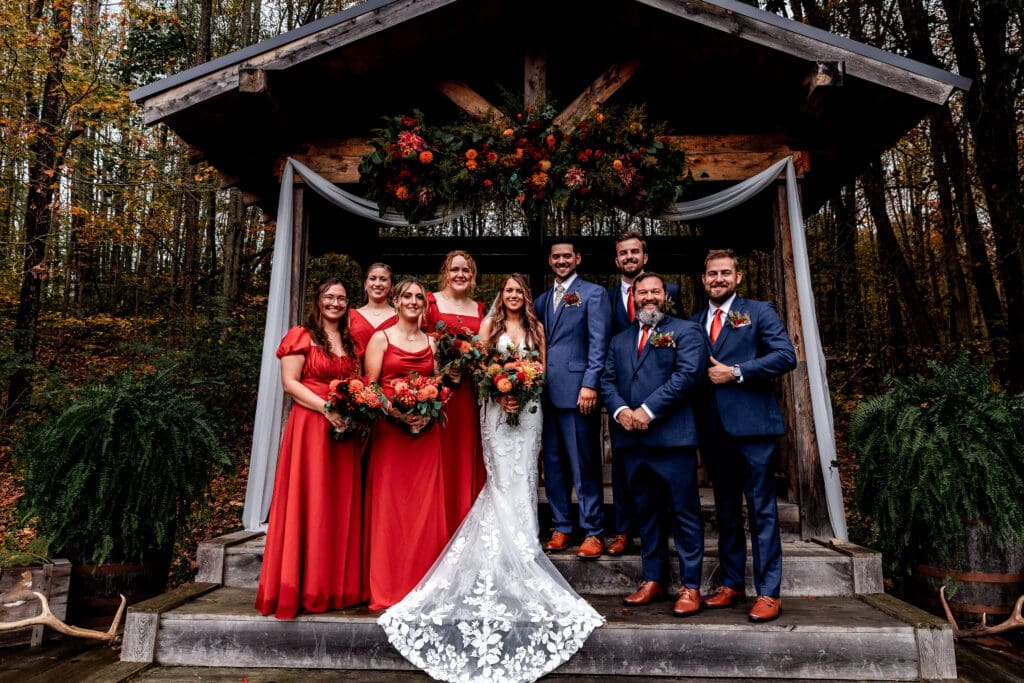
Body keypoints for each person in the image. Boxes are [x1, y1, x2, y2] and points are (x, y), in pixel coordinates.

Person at [380, 274, 604, 683]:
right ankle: (507, 549)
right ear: (502, 296)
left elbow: (544, 368)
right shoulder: (490, 325)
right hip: (498, 412)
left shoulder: (535, 328)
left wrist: (526, 384)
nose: (515, 296)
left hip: (530, 412)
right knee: (502, 478)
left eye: (520, 290)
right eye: (509, 291)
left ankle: (523, 540)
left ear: (526, 297)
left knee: (523, 479)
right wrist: (499, 390)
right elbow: (480, 366)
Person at [690, 249, 796, 623]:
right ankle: (731, 583)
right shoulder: (694, 321)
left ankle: (768, 591)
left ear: (737, 278)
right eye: (712, 273)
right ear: (703, 280)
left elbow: (786, 356)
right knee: (726, 511)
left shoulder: (759, 312)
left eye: (725, 273)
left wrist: (736, 371)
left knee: (762, 510)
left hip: (753, 429)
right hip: (713, 431)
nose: (718, 279)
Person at [254, 277, 364, 618]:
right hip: (311, 426)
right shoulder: (301, 335)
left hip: (342, 430)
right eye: (330, 297)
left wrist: (350, 409)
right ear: (318, 300)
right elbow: (290, 383)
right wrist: (325, 408)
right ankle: (302, 587)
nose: (336, 303)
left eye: (342, 298)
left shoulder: (349, 340)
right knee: (310, 501)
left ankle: (335, 587)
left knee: (335, 504)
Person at [601, 272, 707, 617]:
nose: (648, 297)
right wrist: (620, 411)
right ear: (633, 298)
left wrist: (648, 410)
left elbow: (688, 375)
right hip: (632, 441)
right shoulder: (619, 339)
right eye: (642, 292)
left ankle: (691, 586)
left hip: (672, 440)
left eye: (654, 292)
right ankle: (652, 579)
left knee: (685, 514)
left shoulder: (686, 331)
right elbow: (608, 379)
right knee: (646, 513)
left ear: (665, 295)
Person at [363, 278, 447, 610]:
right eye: (407, 296)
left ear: (425, 305)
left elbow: (440, 386)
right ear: (396, 302)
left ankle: (424, 587)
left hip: (426, 436)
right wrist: (397, 413)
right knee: (391, 510)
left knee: (424, 511)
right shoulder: (379, 339)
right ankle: (389, 586)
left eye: (418, 297)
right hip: (391, 435)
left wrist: (427, 414)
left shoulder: (433, 342)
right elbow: (370, 388)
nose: (413, 301)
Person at [605, 231, 682, 556]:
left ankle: (666, 526)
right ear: (617, 259)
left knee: (663, 466)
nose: (629, 257)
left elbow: (678, 333)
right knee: (623, 465)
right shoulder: (605, 298)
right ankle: (623, 529)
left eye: (635, 252)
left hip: (658, 394)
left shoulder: (671, 291)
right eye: (624, 253)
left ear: (645, 256)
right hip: (621, 394)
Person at [534, 240, 611, 559]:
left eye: (567, 256)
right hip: (543, 393)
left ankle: (593, 530)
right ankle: (562, 526)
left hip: (579, 391)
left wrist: (590, 384)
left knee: (584, 462)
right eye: (556, 256)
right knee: (552, 465)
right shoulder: (540, 301)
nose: (561, 260)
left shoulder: (594, 294)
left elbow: (599, 343)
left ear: (578, 258)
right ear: (550, 261)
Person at [423, 250, 487, 536]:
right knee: (439, 455)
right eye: (455, 269)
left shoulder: (480, 309)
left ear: (472, 276)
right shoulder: (430, 303)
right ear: (445, 273)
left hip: (469, 395)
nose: (460, 275)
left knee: (466, 453)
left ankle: (465, 523)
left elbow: (485, 350)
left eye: (466, 270)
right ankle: (439, 522)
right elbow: (418, 342)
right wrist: (442, 370)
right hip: (440, 393)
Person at [349, 262, 397, 356]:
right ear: (365, 284)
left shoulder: (400, 317)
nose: (377, 284)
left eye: (383, 279)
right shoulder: (350, 315)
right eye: (372, 279)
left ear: (392, 286)